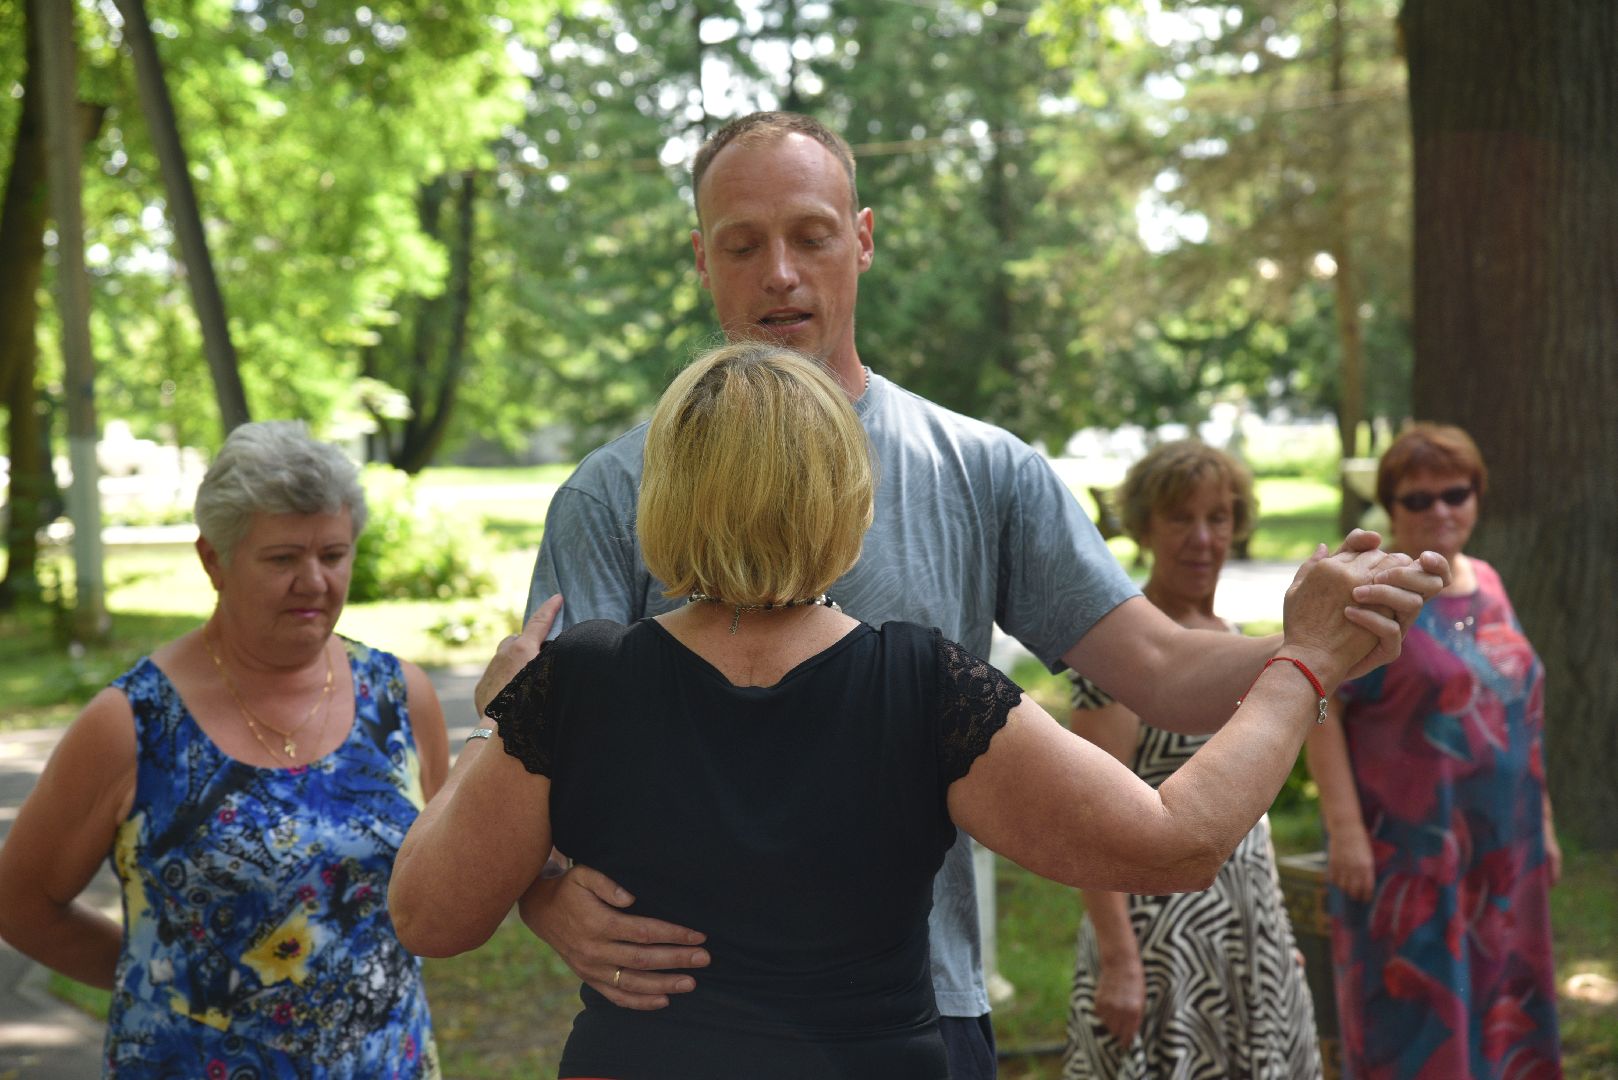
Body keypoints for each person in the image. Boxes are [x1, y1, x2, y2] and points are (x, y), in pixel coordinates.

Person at [504, 110, 1449, 1078]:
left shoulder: (982, 470)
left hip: (922, 1003)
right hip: (674, 1020)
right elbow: (533, 743)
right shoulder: (612, 494)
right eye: (743, 245)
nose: (779, 272)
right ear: (702, 260)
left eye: (811, 235)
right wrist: (541, 890)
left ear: (862, 239)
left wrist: (1315, 640)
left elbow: (1159, 669)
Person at [392, 342, 1404, 1078]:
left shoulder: (578, 679)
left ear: (663, 496)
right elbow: (1177, 842)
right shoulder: (921, 685)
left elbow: (428, 916)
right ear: (846, 494)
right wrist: (1303, 666)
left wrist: (497, 717)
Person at [0, 421, 448, 1077]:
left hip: (384, 1062)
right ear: (213, 559)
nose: (314, 581)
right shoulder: (134, 723)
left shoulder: (400, 697)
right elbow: (20, 902)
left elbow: (445, 882)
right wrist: (166, 982)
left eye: (334, 554)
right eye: (283, 559)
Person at [1307, 423, 1562, 1079]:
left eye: (1455, 493)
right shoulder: (1375, 590)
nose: (1440, 510)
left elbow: (1521, 707)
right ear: (1391, 507)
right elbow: (1320, 708)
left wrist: (1543, 822)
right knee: (1416, 1022)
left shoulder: (1490, 581)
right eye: (1418, 499)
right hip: (1409, 855)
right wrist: (1344, 829)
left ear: (1477, 496)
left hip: (1503, 847)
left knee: (1503, 1008)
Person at [1062, 441, 1320, 1078]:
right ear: (1145, 527)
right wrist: (1120, 960)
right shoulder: (1124, 653)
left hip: (1246, 935)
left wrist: (1275, 931)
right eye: (1181, 518)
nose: (1203, 538)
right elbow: (1089, 820)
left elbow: (1251, 814)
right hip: (1158, 947)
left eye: (1218, 517)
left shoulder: (1232, 639)